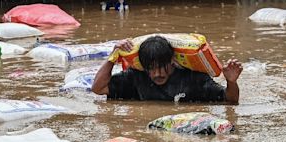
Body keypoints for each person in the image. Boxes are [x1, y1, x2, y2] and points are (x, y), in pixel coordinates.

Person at [92, 36, 243, 104]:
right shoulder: (135, 77)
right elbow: (98, 88)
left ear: (172, 61)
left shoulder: (193, 78)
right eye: (151, 68)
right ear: (144, 67)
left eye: (162, 67)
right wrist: (113, 57)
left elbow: (230, 100)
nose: (158, 73)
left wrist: (231, 82)